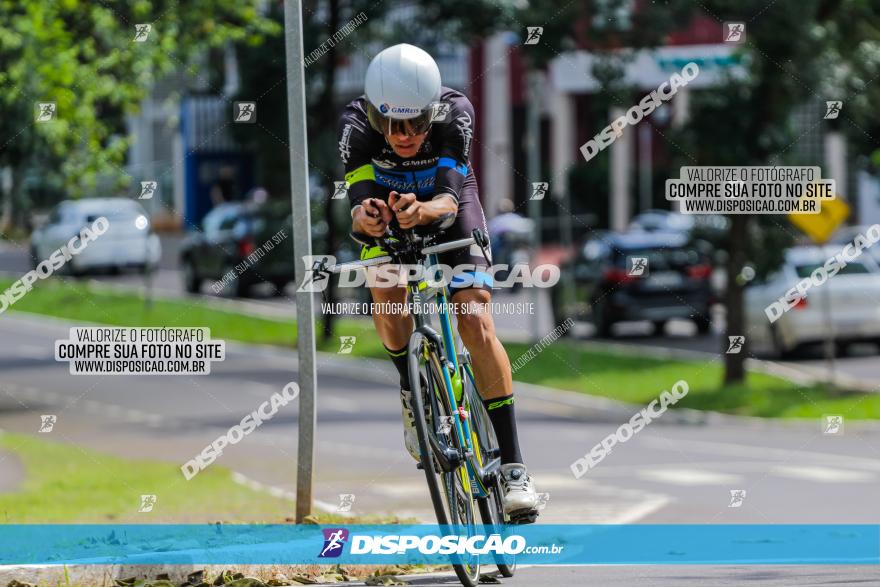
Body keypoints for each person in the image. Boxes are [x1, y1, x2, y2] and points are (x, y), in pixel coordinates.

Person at [336, 43, 538, 519]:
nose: (403, 136)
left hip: (450, 210)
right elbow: (359, 198)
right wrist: (367, 219)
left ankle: (513, 467)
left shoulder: (456, 112)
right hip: (390, 216)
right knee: (385, 288)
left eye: (416, 123)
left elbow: (449, 195)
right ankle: (412, 388)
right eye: (391, 124)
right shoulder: (356, 123)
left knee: (474, 318)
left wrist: (423, 209)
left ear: (433, 110)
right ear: (373, 112)